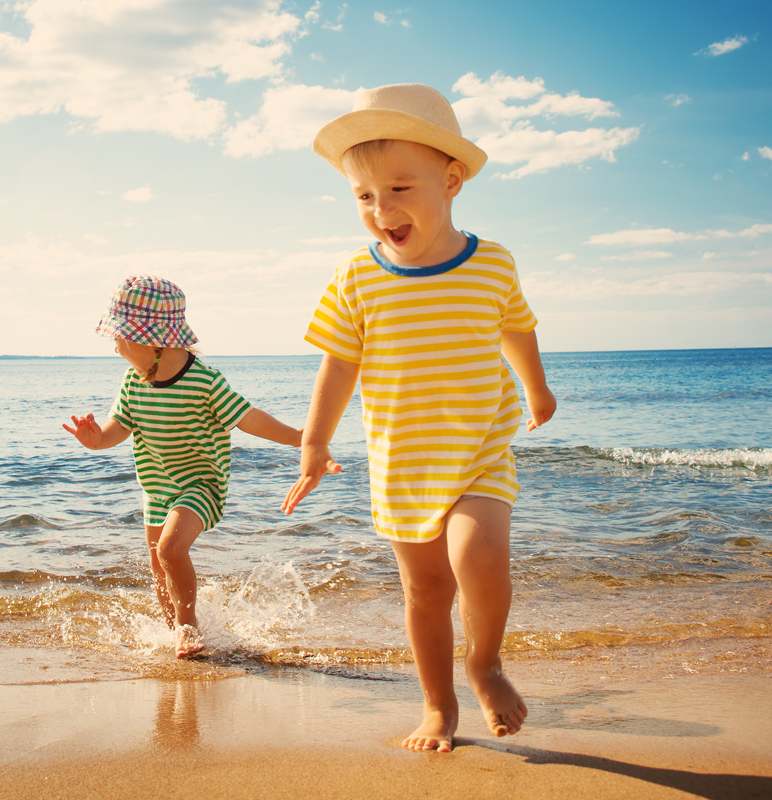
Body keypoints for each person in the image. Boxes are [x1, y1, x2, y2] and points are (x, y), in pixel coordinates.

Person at [281, 84, 556, 753]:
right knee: (426, 590)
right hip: (402, 462)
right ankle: (437, 707)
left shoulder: (491, 263)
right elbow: (339, 365)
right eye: (365, 196)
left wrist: (537, 390)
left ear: (452, 179)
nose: (382, 210)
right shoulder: (356, 278)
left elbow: (517, 329)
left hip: (480, 450)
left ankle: (484, 663)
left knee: (480, 556)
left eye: (400, 188)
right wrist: (315, 441)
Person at [65, 275, 301, 658]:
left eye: (120, 336)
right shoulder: (133, 381)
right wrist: (97, 440)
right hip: (156, 487)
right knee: (160, 566)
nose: (115, 346)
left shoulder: (204, 381)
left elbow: (247, 417)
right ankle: (177, 635)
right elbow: (118, 427)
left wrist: (296, 437)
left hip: (201, 484)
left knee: (171, 551)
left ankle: (189, 626)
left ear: (152, 339)